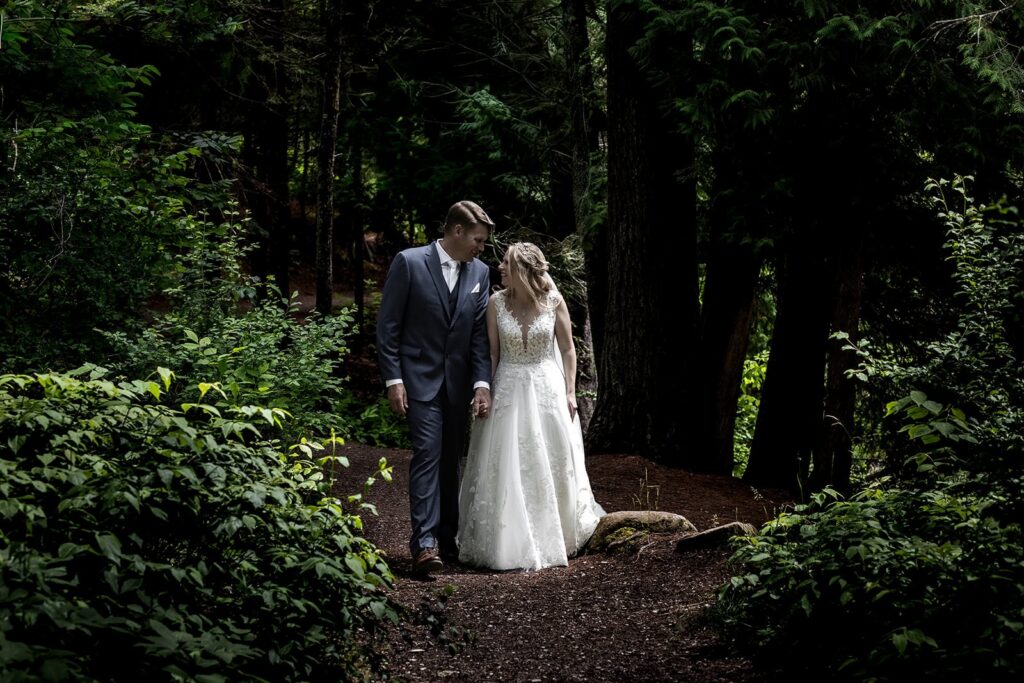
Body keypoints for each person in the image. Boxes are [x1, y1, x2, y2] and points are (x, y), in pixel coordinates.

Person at [457, 242, 606, 571]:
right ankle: (506, 538)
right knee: (507, 460)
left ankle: (556, 533)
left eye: (506, 264)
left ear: (523, 271)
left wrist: (570, 391)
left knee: (548, 459)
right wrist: (485, 390)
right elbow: (493, 354)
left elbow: (568, 350)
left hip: (546, 387)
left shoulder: (553, 301)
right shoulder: (495, 304)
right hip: (508, 386)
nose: (500, 268)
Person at [376, 200, 495, 575]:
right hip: (419, 381)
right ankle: (423, 545)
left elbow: (478, 336)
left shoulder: (480, 272)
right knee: (427, 454)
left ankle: (448, 538)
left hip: (459, 385)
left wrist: (481, 383)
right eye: (477, 239)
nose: (481, 247)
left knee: (450, 461)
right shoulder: (409, 262)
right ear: (456, 231)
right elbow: (388, 327)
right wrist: (393, 379)